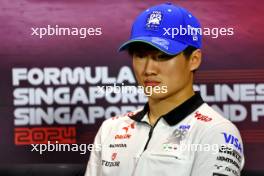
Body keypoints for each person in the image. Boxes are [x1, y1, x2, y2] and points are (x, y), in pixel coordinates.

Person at [85, 3, 245, 176]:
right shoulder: (111, 128)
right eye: (140, 56)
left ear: (194, 60)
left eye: (162, 56)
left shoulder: (216, 132)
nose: (148, 69)